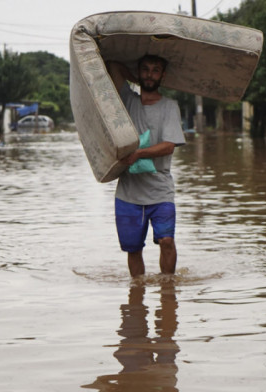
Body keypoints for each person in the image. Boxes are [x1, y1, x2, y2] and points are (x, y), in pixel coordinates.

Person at [106, 55, 186, 278]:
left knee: (167, 241)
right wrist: (135, 77)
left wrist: (138, 153)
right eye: (146, 70)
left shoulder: (170, 107)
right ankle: (137, 294)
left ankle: (168, 290)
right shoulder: (128, 101)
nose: (150, 75)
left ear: (163, 76)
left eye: (155, 70)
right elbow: (114, 64)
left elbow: (169, 146)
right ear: (139, 72)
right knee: (133, 249)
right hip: (128, 193)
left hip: (160, 190)